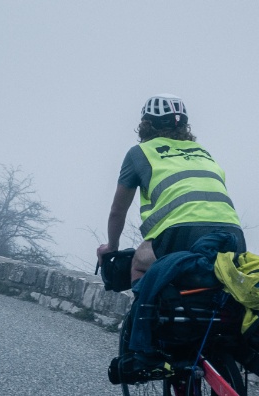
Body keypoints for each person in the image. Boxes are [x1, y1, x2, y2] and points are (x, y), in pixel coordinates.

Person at [96, 95, 245, 283]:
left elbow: (118, 211)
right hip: (233, 236)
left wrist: (112, 246)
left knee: (138, 263)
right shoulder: (203, 152)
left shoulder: (139, 152)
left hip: (180, 233)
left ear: (146, 124)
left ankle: (143, 312)